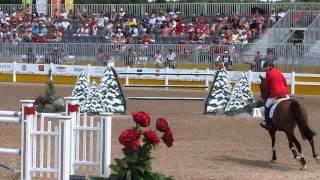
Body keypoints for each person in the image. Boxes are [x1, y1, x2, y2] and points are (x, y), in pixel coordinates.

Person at [260, 61, 289, 130]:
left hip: (275, 94)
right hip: (284, 93)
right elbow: (285, 82)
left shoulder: (268, 74)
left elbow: (266, 86)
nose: (265, 68)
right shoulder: (279, 72)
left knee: (267, 106)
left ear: (270, 66)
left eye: (266, 67)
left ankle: (267, 123)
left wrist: (269, 91)